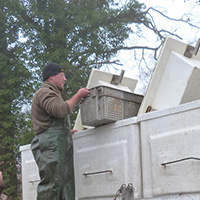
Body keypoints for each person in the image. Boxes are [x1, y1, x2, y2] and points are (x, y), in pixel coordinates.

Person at [31, 62, 90, 200]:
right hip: (51, 143)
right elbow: (60, 110)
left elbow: (52, 118)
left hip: (58, 141)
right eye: (62, 76)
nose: (65, 79)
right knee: (51, 185)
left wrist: (65, 132)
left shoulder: (53, 93)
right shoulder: (44, 92)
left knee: (65, 184)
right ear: (51, 77)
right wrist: (78, 95)